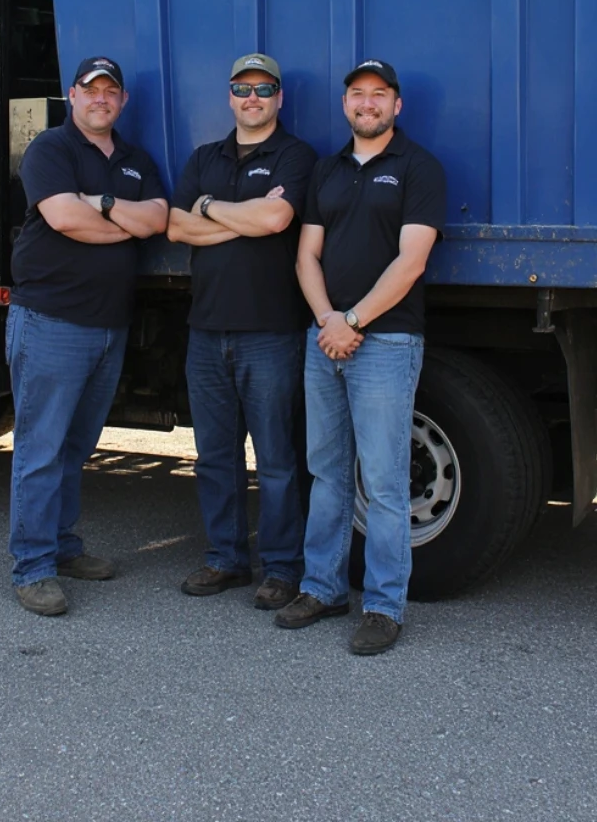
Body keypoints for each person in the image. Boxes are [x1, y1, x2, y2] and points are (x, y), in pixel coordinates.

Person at [275, 59, 446, 654]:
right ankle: (322, 587)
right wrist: (327, 320)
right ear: (345, 105)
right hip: (325, 339)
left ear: (396, 106)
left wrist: (352, 321)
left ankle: (382, 606)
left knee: (383, 481)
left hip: (386, 342)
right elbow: (306, 256)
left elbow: (412, 262)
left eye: (379, 95)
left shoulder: (418, 168)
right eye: (357, 95)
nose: (367, 104)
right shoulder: (327, 168)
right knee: (325, 472)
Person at [7, 56, 168, 617]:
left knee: (76, 448)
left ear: (121, 101)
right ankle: (32, 567)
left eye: (110, 91)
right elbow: (63, 218)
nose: (101, 98)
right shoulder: (51, 150)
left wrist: (99, 203)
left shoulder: (134, 159)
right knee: (40, 449)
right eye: (91, 89)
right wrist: (119, 224)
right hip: (51, 321)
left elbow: (155, 220)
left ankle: (63, 546)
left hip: (108, 328)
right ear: (72, 95)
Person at [167, 54, 318, 610]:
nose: (252, 97)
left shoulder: (296, 156)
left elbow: (276, 222)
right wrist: (239, 214)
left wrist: (211, 209)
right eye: (242, 88)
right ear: (229, 97)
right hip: (205, 331)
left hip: (271, 332)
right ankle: (225, 559)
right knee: (214, 456)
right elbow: (177, 224)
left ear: (279, 97)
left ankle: (281, 568)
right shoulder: (205, 157)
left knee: (277, 459)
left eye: (263, 88)